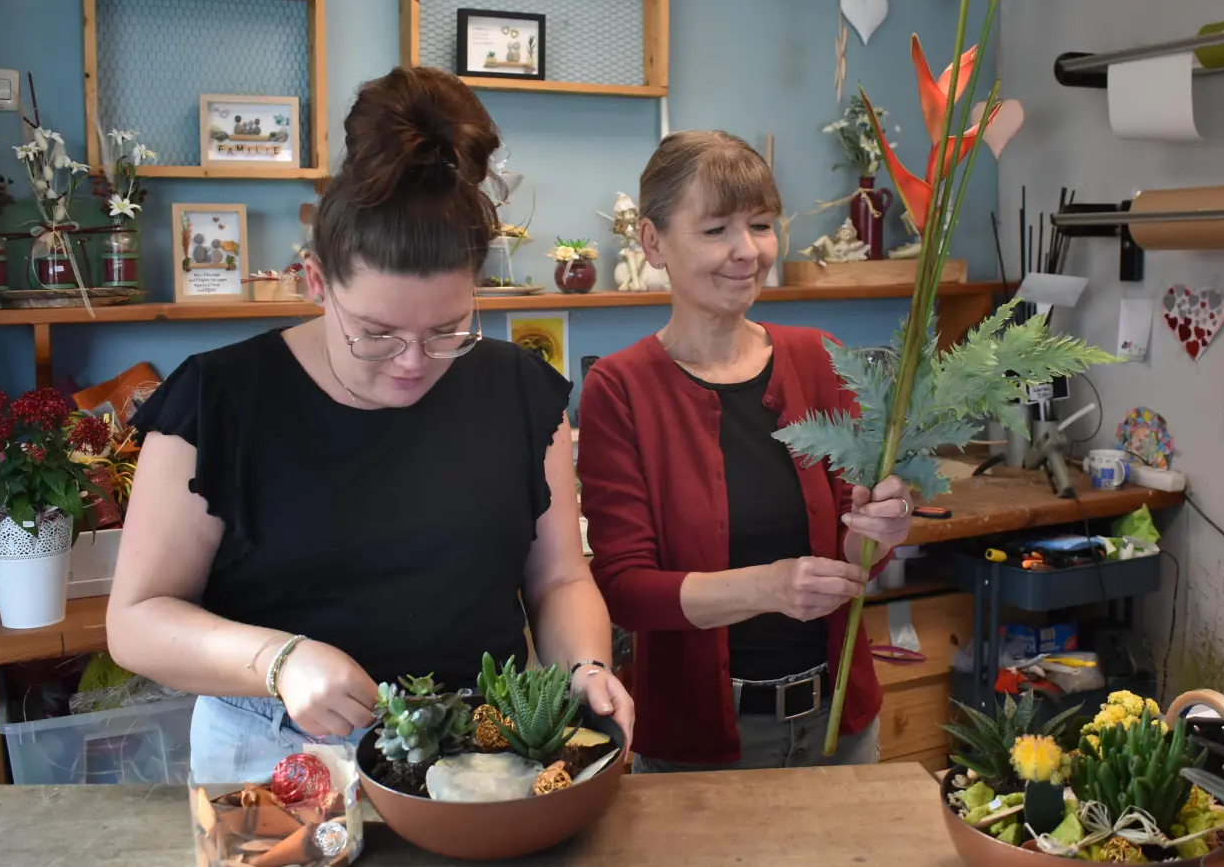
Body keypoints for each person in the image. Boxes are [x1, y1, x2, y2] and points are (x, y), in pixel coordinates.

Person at [106, 65, 632, 782]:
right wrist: (278, 660)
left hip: (481, 743)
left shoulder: (518, 390)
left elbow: (559, 581)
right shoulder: (220, 397)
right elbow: (136, 619)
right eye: (376, 334)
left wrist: (585, 667)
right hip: (279, 752)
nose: (414, 363)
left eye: (449, 331)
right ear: (317, 282)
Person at [575, 130, 915, 773]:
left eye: (761, 225)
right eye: (715, 230)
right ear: (652, 243)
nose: (747, 252)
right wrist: (770, 587)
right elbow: (626, 590)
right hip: (701, 746)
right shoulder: (619, 389)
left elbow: (855, 556)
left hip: (838, 730)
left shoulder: (818, 357)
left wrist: (881, 529)